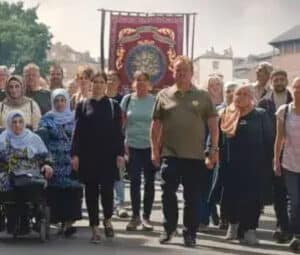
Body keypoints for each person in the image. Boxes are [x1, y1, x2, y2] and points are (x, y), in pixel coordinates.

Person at [151, 55, 219, 247]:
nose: (181, 73)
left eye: (185, 70)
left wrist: (213, 150)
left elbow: (214, 126)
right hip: (170, 154)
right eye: (178, 69)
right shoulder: (163, 95)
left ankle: (190, 233)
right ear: (173, 71)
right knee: (167, 193)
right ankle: (169, 228)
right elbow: (155, 126)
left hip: (195, 156)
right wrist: (155, 150)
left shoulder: (203, 96)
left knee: (192, 197)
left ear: (191, 73)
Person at [71, 71, 124, 243]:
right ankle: (94, 227)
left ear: (106, 84)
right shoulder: (83, 105)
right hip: (88, 155)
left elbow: (118, 133)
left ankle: (107, 219)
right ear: (91, 84)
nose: (99, 85)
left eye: (102, 81)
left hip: (108, 156)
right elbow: (77, 132)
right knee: (91, 192)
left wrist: (120, 154)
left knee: (107, 192)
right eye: (96, 82)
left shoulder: (113, 105)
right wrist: (75, 154)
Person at [220, 84, 273, 245]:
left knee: (252, 199)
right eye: (238, 94)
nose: (240, 97)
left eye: (245, 94)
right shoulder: (226, 113)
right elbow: (218, 139)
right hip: (231, 165)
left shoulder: (260, 115)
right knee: (231, 197)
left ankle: (250, 230)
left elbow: (269, 139)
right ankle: (233, 226)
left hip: (254, 166)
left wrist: (269, 163)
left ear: (251, 97)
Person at [38, 88, 82, 237]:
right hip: (54, 161)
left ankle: (69, 224)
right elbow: (42, 139)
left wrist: (78, 155)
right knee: (56, 193)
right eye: (56, 101)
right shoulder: (47, 119)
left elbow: (82, 137)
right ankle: (59, 223)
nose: (60, 103)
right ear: (52, 102)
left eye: (63, 100)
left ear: (67, 101)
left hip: (72, 160)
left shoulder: (75, 117)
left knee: (72, 191)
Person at [0, 110, 53, 234]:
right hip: (8, 172)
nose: (17, 125)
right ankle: (11, 220)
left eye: (20, 122)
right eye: (14, 122)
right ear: (9, 124)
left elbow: (46, 155)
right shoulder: (3, 139)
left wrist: (47, 165)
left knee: (30, 185)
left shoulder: (33, 138)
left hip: (30, 173)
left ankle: (26, 220)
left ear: (24, 123)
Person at [258, 69, 293, 243]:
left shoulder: (294, 100)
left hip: (292, 153)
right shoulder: (264, 103)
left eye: (282, 79)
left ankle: (289, 227)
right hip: (271, 154)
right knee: (278, 192)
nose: (279, 82)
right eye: (276, 80)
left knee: (292, 194)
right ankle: (282, 227)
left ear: (286, 81)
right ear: (272, 82)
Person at [121, 71, 156, 231]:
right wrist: (123, 144)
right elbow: (122, 125)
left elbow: (159, 125)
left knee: (149, 183)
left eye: (144, 80)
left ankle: (146, 217)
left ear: (149, 84)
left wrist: (158, 148)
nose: (141, 83)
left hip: (150, 146)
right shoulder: (127, 100)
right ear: (133, 83)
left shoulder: (155, 101)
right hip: (132, 147)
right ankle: (135, 216)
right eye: (138, 80)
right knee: (134, 182)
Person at [274, 77, 300, 253]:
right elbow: (279, 138)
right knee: (295, 201)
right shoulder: (284, 111)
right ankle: (296, 234)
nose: (299, 90)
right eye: (297, 87)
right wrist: (276, 160)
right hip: (290, 163)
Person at [107, 70, 128, 218]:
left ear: (118, 82)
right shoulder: (98, 98)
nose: (110, 82)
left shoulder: (123, 100)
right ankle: (108, 203)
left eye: (113, 79)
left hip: (118, 139)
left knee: (119, 173)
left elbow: (125, 121)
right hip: (101, 142)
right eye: (108, 79)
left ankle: (120, 204)